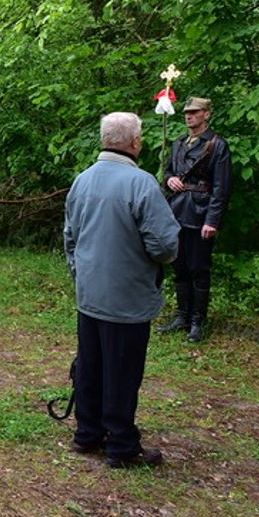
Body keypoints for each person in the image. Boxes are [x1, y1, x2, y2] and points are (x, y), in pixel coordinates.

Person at [64, 112, 179, 468]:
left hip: (90, 293)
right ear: (134, 142)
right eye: (141, 136)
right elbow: (164, 244)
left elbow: (70, 236)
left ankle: (88, 433)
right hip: (126, 297)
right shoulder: (141, 184)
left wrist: (81, 273)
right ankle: (122, 445)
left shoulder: (82, 180)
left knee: (91, 364)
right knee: (122, 370)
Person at [158, 97, 232, 343]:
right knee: (179, 267)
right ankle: (182, 315)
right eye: (187, 112)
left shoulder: (217, 145)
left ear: (207, 114)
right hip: (177, 211)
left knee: (198, 268)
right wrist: (170, 180)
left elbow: (221, 188)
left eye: (195, 112)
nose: (189, 116)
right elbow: (168, 171)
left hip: (200, 214)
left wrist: (212, 221)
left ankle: (197, 320)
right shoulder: (178, 143)